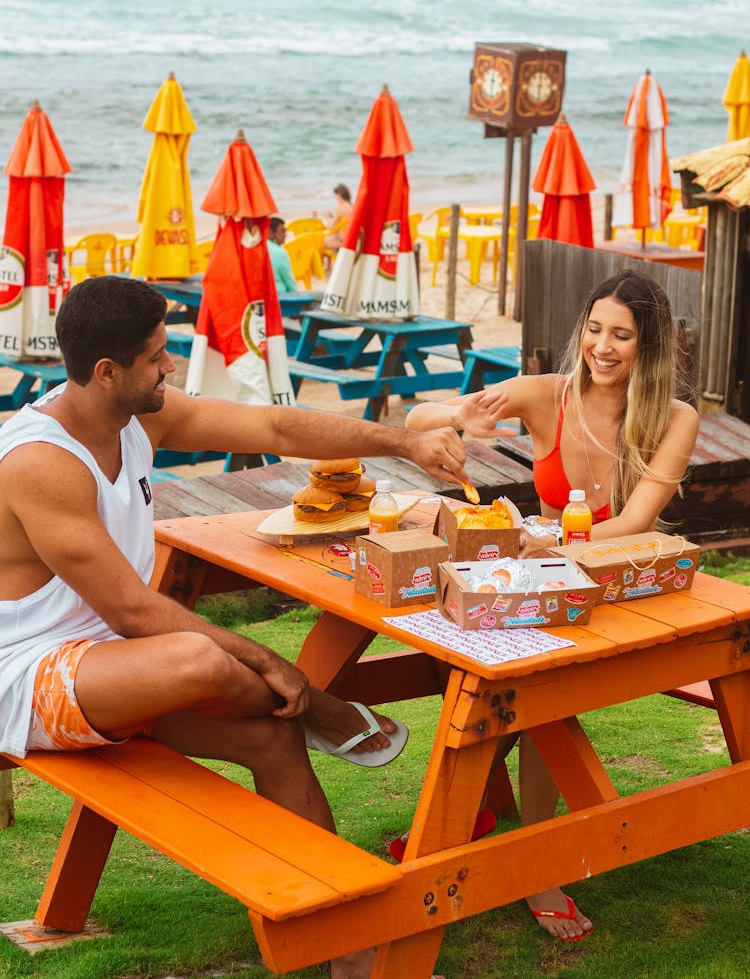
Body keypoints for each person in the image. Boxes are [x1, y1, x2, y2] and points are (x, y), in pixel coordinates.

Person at [0, 276, 467, 979]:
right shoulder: (41, 461)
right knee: (200, 656)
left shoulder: (137, 419)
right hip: (30, 677)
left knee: (272, 736)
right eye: (158, 356)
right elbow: (132, 609)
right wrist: (270, 662)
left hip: (118, 666)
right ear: (107, 372)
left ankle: (346, 944)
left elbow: (275, 429)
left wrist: (405, 442)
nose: (170, 367)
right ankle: (325, 707)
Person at [405, 269, 699, 944]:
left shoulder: (674, 418)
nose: (601, 345)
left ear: (648, 346)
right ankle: (481, 832)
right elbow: (415, 420)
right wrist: (457, 419)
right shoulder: (547, 395)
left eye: (621, 335)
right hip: (541, 585)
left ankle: (516, 853)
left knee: (533, 691)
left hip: (618, 587)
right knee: (498, 684)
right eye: (594, 328)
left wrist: (547, 540)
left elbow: (635, 522)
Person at [267, 216, 298, 293]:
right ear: (271, 233)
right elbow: (290, 284)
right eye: (282, 231)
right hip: (280, 296)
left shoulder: (256, 249)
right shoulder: (280, 253)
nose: (285, 235)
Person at [323, 183, 352, 258]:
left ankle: (328, 266)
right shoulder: (352, 206)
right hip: (351, 239)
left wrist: (327, 217)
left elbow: (330, 227)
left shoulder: (339, 208)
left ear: (339, 195)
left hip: (341, 241)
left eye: (336, 196)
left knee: (321, 241)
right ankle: (328, 266)